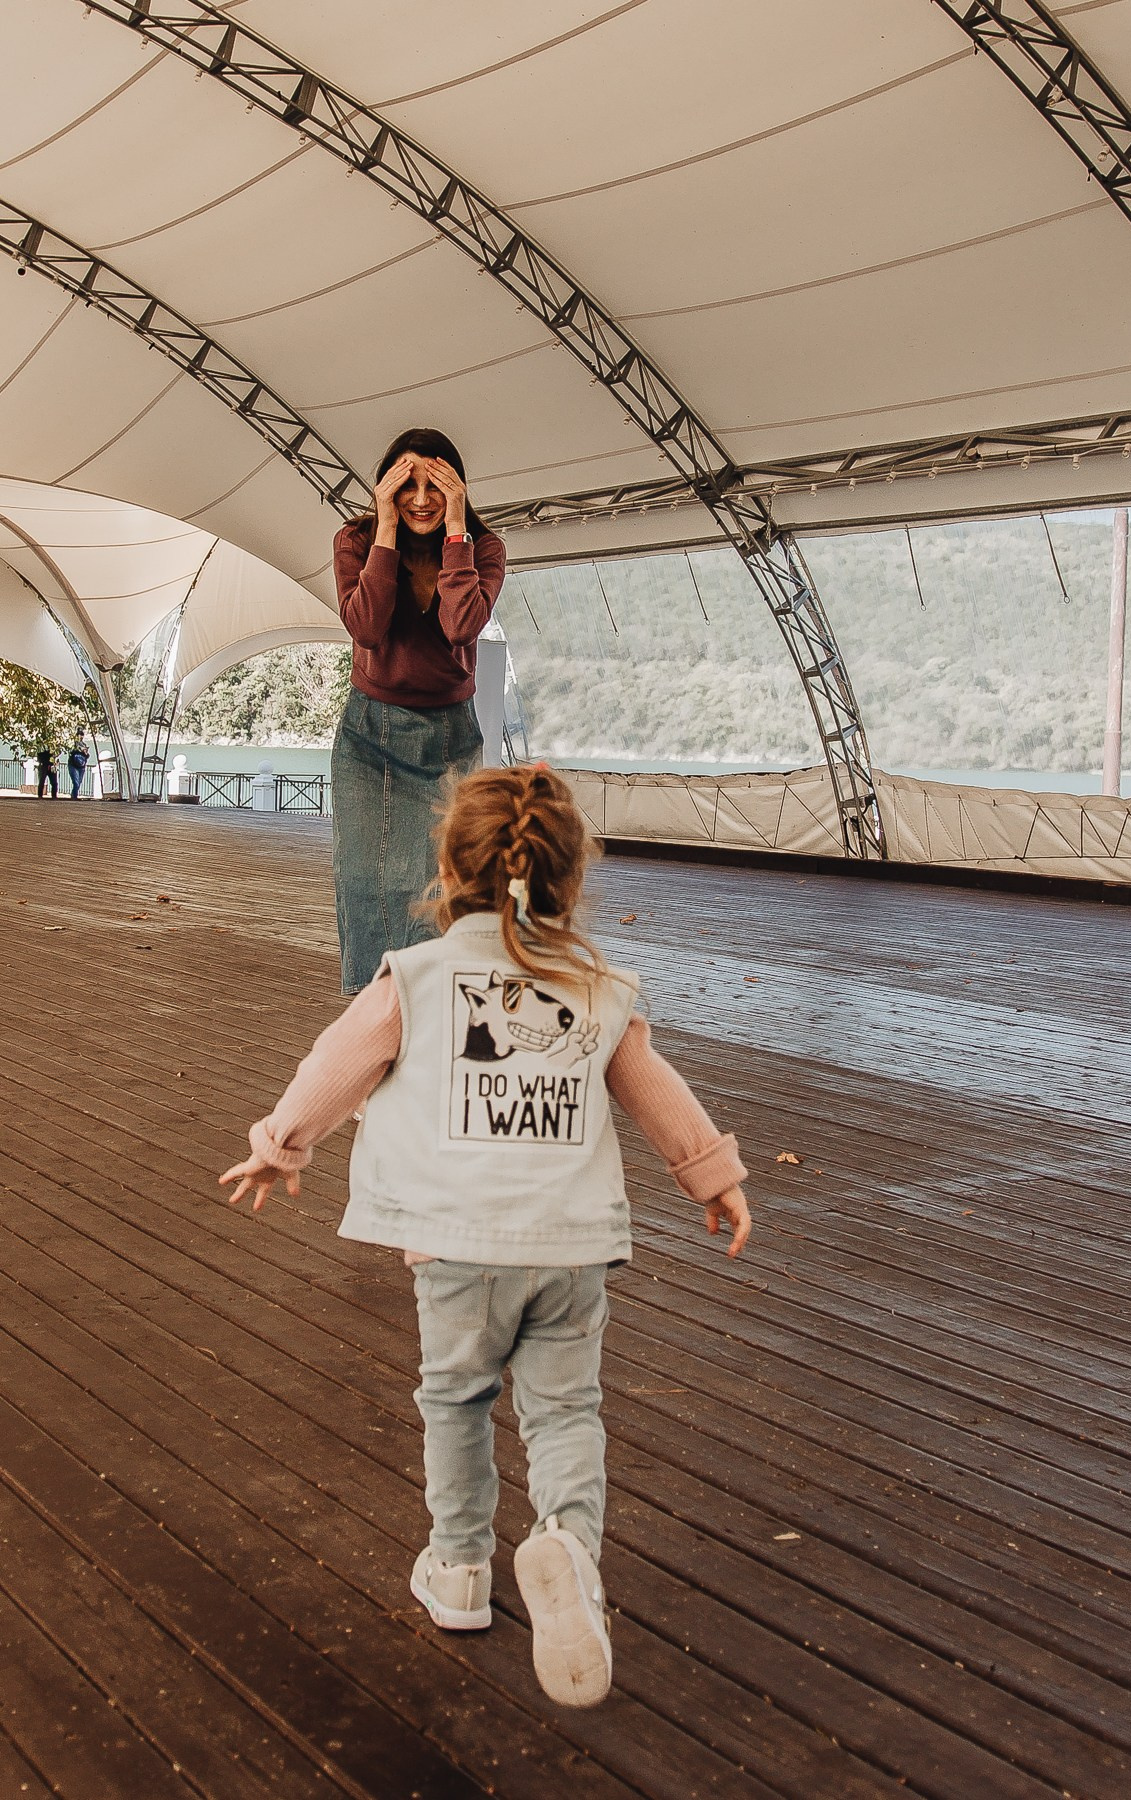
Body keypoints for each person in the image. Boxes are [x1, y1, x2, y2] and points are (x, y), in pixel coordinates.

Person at [220, 764, 751, 1710]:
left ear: (449, 867)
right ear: (569, 878)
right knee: (565, 1412)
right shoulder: (596, 987)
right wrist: (711, 1177)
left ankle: (461, 1569)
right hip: (570, 1247)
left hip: (458, 1248)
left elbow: (334, 1067)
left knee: (458, 1401)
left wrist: (279, 1147)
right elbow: (655, 1090)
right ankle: (570, 1554)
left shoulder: (416, 978)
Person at [331, 426, 506, 995]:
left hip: (451, 739)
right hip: (370, 736)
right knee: (364, 880)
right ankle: (372, 1004)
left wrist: (457, 529)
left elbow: (460, 625)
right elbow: (368, 628)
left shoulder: (484, 550)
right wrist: (384, 528)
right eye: (407, 486)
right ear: (385, 489)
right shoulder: (355, 542)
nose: (422, 499)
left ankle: (436, 999)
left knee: (449, 881)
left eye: (438, 487)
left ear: (459, 490)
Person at [67, 730, 89, 800]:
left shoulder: (84, 745)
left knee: (79, 783)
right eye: (79, 735)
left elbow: (87, 756)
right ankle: (74, 798)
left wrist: (85, 753)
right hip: (73, 765)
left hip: (81, 766)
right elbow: (70, 752)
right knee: (76, 783)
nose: (80, 737)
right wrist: (78, 749)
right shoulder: (72, 744)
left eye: (82, 735)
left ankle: (73, 795)